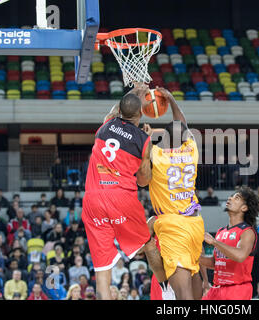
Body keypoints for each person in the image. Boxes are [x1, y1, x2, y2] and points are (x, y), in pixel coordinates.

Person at [81, 84, 166, 300]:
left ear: (119, 110)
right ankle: (167, 287)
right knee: (147, 243)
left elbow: (115, 110)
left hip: (93, 200)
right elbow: (144, 181)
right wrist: (147, 149)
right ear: (141, 113)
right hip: (120, 197)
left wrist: (134, 93)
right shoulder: (143, 139)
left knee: (102, 268)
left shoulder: (105, 125)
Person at [144, 87, 205, 300]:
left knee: (182, 293)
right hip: (195, 224)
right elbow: (183, 125)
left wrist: (146, 137)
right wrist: (170, 99)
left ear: (166, 138)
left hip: (173, 225)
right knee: (196, 290)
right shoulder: (190, 150)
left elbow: (142, 176)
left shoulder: (158, 154)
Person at [200, 186, 259, 300]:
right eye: (231, 196)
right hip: (217, 288)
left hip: (237, 289)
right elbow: (214, 263)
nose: (230, 198)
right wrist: (193, 258)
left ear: (244, 208)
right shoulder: (221, 231)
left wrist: (213, 242)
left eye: (236, 198)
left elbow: (240, 256)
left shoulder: (247, 232)